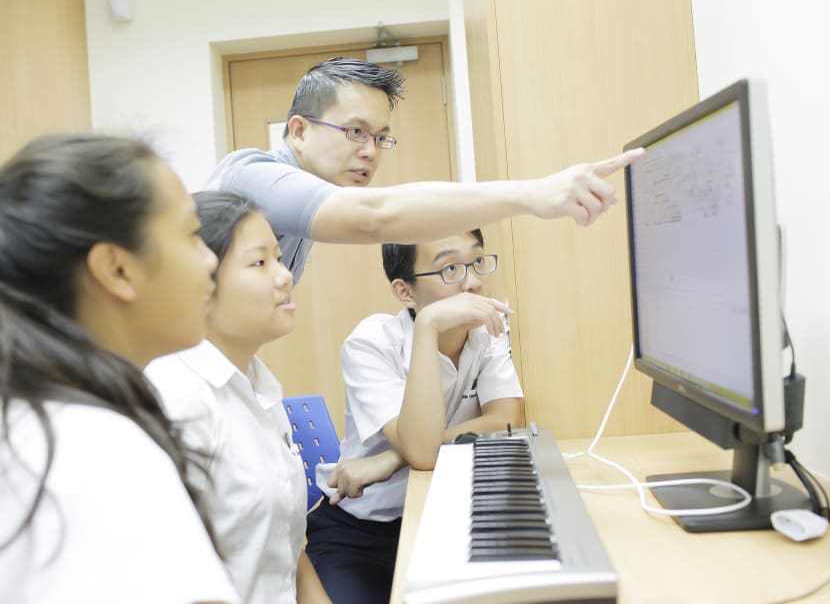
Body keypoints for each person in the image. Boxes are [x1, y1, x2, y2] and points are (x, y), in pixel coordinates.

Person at [0, 133, 238, 603]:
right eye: (192, 236)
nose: (210, 260)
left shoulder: (38, 420)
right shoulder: (100, 451)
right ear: (117, 270)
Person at [206, 56, 644, 282]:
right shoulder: (249, 177)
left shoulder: (302, 203)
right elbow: (374, 216)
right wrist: (531, 194)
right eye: (356, 131)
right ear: (298, 131)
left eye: (380, 137)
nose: (370, 152)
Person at [305, 229, 525, 604]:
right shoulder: (371, 343)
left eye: (476, 262)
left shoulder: (487, 334)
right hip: (361, 536)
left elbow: (506, 419)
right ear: (405, 292)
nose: (473, 282)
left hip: (444, 526)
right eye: (450, 269)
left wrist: (392, 458)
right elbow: (423, 452)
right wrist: (428, 326)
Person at [145, 191, 330, 604]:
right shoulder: (176, 397)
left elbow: (288, 549)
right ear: (197, 285)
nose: (284, 276)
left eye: (280, 259)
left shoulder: (259, 385)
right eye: (259, 262)